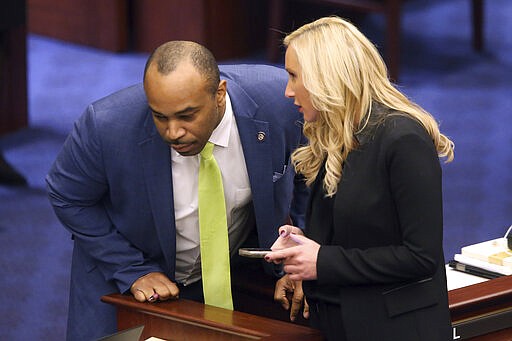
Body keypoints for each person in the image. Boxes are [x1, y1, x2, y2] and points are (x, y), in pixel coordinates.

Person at [46, 41, 308, 341]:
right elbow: (66, 195)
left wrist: (296, 246)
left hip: (238, 281)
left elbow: (308, 171)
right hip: (127, 285)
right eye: (160, 117)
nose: (173, 132)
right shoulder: (105, 126)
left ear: (220, 94)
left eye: (187, 116)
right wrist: (131, 269)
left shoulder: (279, 102)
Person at [265, 16, 455, 341]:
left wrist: (321, 260)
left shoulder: (402, 138)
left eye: (294, 76)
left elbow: (420, 257)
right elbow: (358, 232)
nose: (287, 90)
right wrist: (305, 242)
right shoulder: (333, 134)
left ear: (326, 77)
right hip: (338, 322)